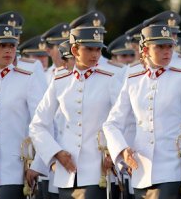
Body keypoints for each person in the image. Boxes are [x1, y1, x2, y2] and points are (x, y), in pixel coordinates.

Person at [103, 24, 181, 199]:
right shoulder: (133, 80)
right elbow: (111, 123)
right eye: (160, 47)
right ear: (145, 50)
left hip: (172, 169)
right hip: (140, 170)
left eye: (169, 46)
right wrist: (122, 150)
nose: (167, 51)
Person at [29, 26, 120, 199]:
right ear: (74, 50)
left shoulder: (110, 79)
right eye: (89, 49)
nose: (95, 55)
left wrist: (114, 152)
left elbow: (123, 120)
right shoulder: (60, 81)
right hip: (67, 173)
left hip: (99, 171)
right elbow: (37, 125)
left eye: (98, 49)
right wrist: (55, 152)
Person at [0, 24, 45, 199]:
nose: (8, 50)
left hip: (14, 172)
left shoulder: (27, 78)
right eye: (1, 45)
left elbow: (42, 123)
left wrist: (37, 164)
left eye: (11, 45)